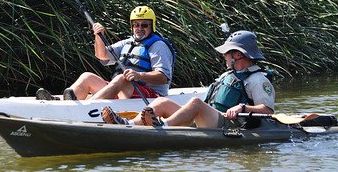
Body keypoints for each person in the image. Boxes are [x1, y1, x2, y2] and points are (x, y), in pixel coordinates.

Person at [102, 30, 275, 129]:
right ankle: (128, 124)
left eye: (227, 52)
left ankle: (164, 127)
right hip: (213, 118)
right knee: (162, 102)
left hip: (231, 124)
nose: (223, 55)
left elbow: (267, 111)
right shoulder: (228, 75)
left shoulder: (257, 79)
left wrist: (242, 107)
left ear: (237, 54)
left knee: (195, 103)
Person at [36, 5, 175, 101]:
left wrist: (139, 75)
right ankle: (63, 104)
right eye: (136, 24)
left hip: (151, 96)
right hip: (124, 92)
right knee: (87, 77)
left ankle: (90, 105)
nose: (139, 28)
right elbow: (102, 56)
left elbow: (163, 77)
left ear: (152, 26)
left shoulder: (158, 46)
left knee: (121, 78)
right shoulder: (128, 43)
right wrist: (98, 35)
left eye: (144, 25)